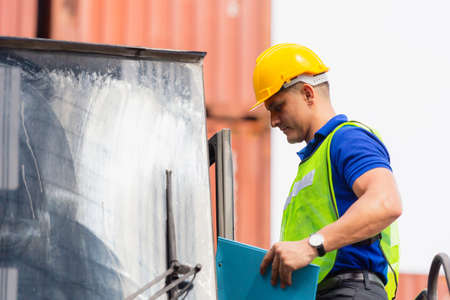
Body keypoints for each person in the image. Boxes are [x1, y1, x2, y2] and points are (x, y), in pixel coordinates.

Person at [251, 43, 402, 300]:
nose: (273, 121)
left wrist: (312, 246)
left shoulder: (347, 138)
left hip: (350, 292)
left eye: (278, 106)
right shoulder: (312, 162)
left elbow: (386, 202)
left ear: (308, 94)